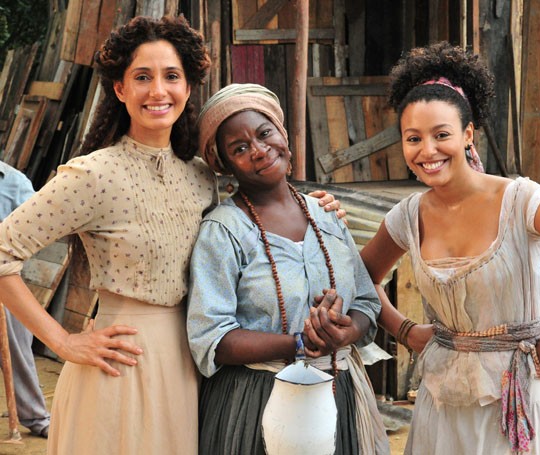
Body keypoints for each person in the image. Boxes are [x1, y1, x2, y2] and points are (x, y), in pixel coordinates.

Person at [0, 16, 341, 454]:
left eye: (171, 76)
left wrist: (313, 207)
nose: (158, 91)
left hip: (190, 365)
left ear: (188, 87)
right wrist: (62, 341)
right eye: (142, 77)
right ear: (120, 89)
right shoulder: (92, 174)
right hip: (121, 368)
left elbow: (249, 224)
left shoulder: (201, 175)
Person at [359, 41, 540, 454]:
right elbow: (361, 276)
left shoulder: (522, 201)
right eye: (412, 138)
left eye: (441, 135)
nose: (427, 151)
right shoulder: (407, 216)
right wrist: (405, 330)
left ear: (468, 134)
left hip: (517, 398)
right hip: (441, 403)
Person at [189, 83, 389, 454]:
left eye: (264, 134)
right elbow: (212, 337)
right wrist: (298, 344)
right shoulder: (224, 231)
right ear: (224, 164)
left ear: (282, 133)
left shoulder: (327, 216)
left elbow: (365, 300)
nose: (259, 151)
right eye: (240, 148)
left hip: (339, 392)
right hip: (256, 401)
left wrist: (345, 333)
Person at [0, 160, 50, 438]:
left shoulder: (14, 182)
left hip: (3, 283)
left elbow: (38, 234)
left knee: (17, 328)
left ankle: (35, 416)